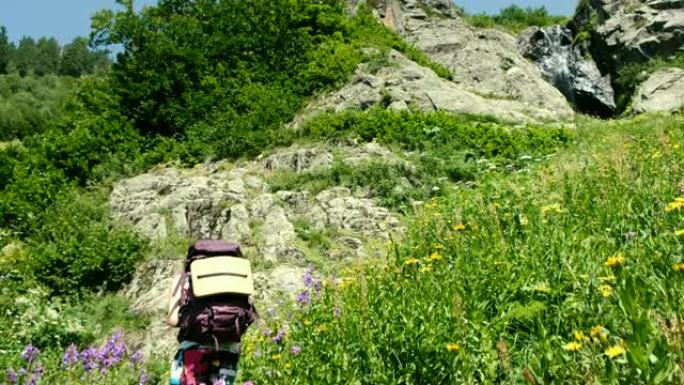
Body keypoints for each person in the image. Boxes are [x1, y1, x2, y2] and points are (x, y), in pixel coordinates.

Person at [166, 240, 255, 385]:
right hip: (228, 354)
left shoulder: (183, 279)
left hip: (191, 352)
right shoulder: (237, 277)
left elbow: (173, 320)